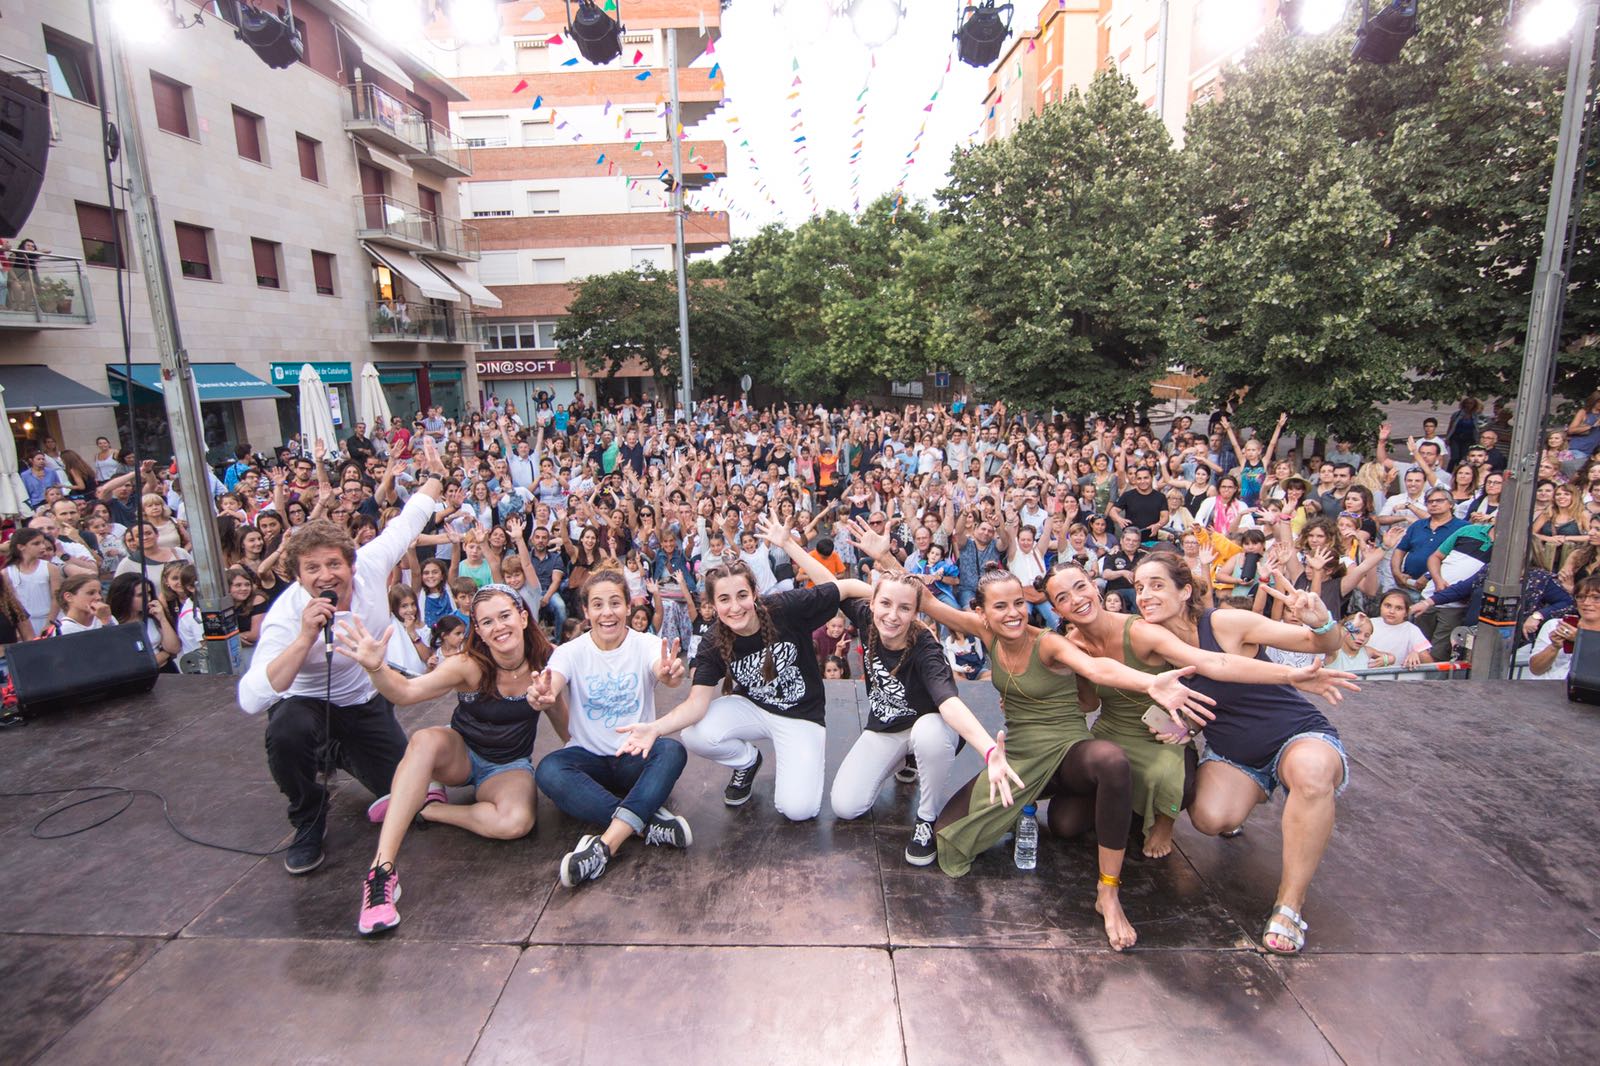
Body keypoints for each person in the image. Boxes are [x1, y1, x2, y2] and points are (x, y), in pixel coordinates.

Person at [916, 562, 1215, 951]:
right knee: (951, 834)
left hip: (1068, 748)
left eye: (1019, 603)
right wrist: (885, 562)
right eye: (1001, 606)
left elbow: (1096, 669)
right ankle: (1084, 809)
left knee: (1111, 761)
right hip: (1020, 755)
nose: (1013, 613)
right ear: (982, 613)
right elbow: (927, 602)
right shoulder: (987, 634)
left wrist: (1150, 682)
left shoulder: (1049, 643)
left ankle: (1108, 892)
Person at [1042, 559, 1356, 858]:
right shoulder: (1076, 645)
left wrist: (1300, 658)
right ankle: (1142, 807)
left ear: (1095, 587)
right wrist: (1050, 689)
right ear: (1055, 609)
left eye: (1080, 587)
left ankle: (1166, 819)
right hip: (1143, 733)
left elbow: (1214, 662)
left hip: (1217, 731)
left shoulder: (1152, 630)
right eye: (1063, 597)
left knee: (1190, 785)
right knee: (1065, 823)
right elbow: (1090, 701)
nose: (1076, 600)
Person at [237, 437, 449, 875]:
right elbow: (250, 698)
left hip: (364, 703)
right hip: (306, 704)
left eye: (333, 564)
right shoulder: (286, 615)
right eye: (312, 569)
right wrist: (303, 639)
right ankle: (307, 818)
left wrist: (435, 476)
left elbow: (409, 520)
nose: (325, 575)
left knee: (414, 803)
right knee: (286, 731)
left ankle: (341, 752)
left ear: (350, 564)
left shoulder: (370, 565)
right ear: (298, 576)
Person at [771, 516, 1023, 866]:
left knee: (928, 733)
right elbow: (830, 584)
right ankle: (907, 760)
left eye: (905, 608)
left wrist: (989, 750)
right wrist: (788, 545)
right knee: (846, 806)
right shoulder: (865, 617)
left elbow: (949, 703)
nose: (893, 615)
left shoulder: (926, 647)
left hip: (931, 728)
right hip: (887, 728)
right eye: (886, 605)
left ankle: (926, 818)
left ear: (916, 612)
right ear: (872, 603)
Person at [1131, 553, 1347, 955]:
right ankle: (1260, 790)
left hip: (1295, 733)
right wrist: (1186, 725)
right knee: (1210, 819)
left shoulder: (1225, 623)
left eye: (1157, 585)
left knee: (1311, 775)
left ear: (1185, 591)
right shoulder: (1154, 642)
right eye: (1139, 587)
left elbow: (1322, 644)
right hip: (1236, 754)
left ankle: (1289, 904)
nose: (1145, 595)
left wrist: (1321, 622)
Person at [332, 584, 563, 935]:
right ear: (478, 631)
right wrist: (377, 667)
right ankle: (381, 872)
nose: (498, 627)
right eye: (487, 622)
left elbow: (566, 729)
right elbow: (405, 692)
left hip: (508, 767)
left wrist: (552, 701)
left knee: (516, 823)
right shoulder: (468, 666)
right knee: (423, 741)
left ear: (522, 617)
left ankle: (426, 808)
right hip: (461, 755)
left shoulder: (549, 661)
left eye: (504, 616)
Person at [615, 559, 842, 822]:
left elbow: (841, 588)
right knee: (696, 734)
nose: (735, 607)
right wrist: (655, 728)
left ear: (754, 594)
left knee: (798, 810)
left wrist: (879, 595)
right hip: (754, 708)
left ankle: (794, 758)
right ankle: (747, 761)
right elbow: (696, 704)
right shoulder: (713, 642)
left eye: (742, 595)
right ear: (713, 604)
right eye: (724, 599)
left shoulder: (784, 607)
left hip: (801, 714)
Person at [527, 570, 693, 887]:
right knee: (549, 770)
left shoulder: (646, 644)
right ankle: (645, 823)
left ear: (628, 607)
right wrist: (543, 694)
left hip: (634, 756)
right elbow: (553, 681)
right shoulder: (570, 652)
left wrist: (669, 674)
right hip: (587, 760)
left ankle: (605, 845)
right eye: (598, 605)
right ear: (586, 611)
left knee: (672, 751)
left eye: (615, 603)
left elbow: (663, 669)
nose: (607, 613)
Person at [1527, 576, 1600, 679]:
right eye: (1581, 597)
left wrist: (1580, 640)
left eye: (1596, 598)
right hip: (1545, 686)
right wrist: (1554, 647)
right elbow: (1535, 670)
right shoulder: (1554, 625)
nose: (1586, 603)